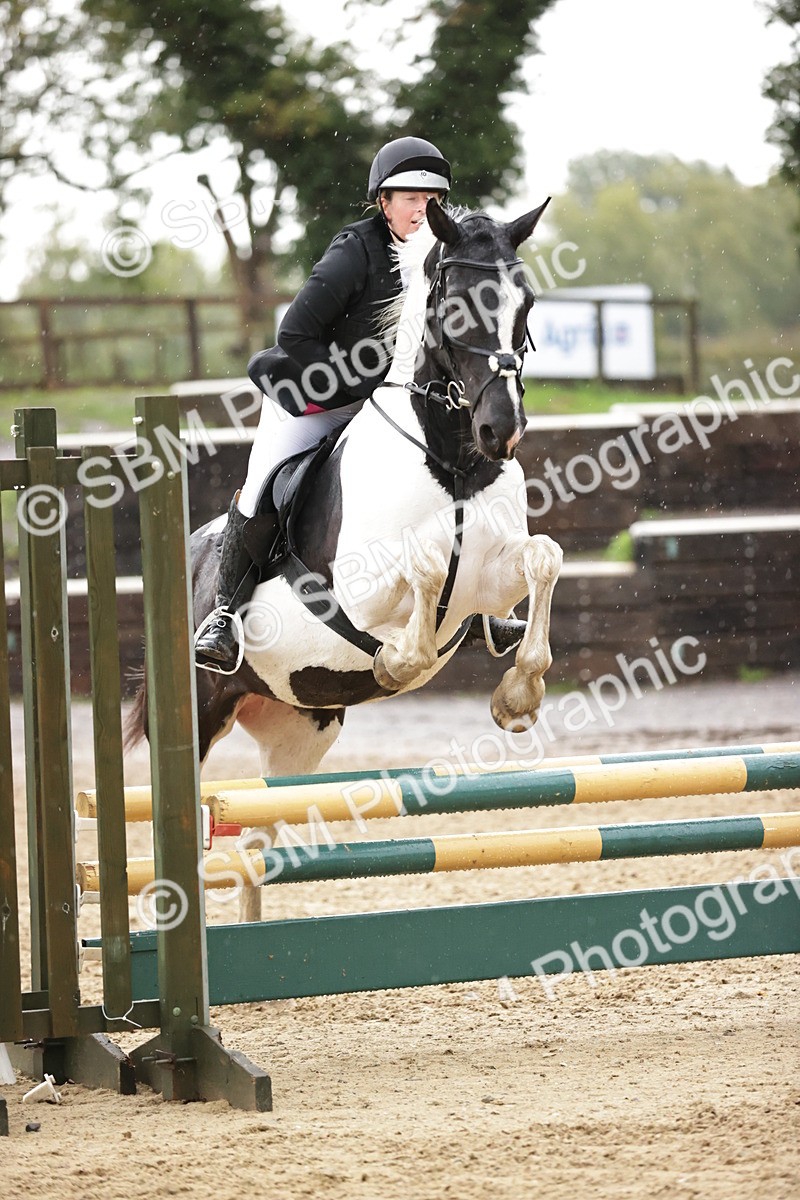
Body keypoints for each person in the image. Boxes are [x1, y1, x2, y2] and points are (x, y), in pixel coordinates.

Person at [195, 136, 453, 670]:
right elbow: (295, 334)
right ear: (382, 202)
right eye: (409, 197)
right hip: (313, 397)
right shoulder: (355, 250)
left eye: (432, 199)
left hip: (389, 404)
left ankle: (473, 603)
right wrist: (356, 386)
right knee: (264, 488)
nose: (421, 209)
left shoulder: (443, 257)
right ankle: (224, 615)